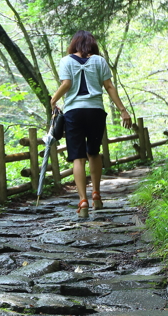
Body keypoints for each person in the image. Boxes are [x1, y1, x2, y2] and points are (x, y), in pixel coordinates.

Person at [49, 30, 132, 218]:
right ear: (92, 44)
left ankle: (82, 200)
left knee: (78, 157)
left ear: (74, 44)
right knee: (93, 152)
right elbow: (109, 86)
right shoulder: (99, 61)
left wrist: (54, 99)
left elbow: (67, 83)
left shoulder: (66, 61)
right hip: (95, 111)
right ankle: (96, 195)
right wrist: (122, 110)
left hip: (73, 112)